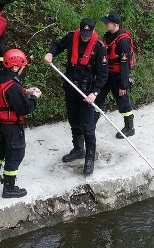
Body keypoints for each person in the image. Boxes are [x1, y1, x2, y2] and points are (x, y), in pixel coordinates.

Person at [43, 18, 108, 175]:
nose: (85, 37)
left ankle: (90, 157)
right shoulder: (72, 37)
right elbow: (57, 45)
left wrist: (95, 93)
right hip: (71, 86)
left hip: (87, 91)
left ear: (92, 32)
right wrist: (51, 53)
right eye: (83, 34)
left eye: (88, 34)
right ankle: (79, 149)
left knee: (88, 125)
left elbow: (103, 74)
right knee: (73, 120)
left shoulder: (99, 48)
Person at [0, 48, 41, 198]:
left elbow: (6, 95)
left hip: (0, 122)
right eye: (22, 67)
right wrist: (35, 97)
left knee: (1, 148)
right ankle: (9, 188)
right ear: (15, 67)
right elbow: (25, 108)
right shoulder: (13, 86)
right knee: (16, 153)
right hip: (12, 125)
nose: (23, 69)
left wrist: (25, 91)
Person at [96, 11, 135, 138]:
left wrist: (123, 85)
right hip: (106, 74)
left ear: (115, 24)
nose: (105, 24)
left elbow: (124, 65)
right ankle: (91, 122)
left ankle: (129, 127)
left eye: (107, 23)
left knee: (123, 102)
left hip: (118, 77)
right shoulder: (107, 36)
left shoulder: (123, 41)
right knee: (97, 98)